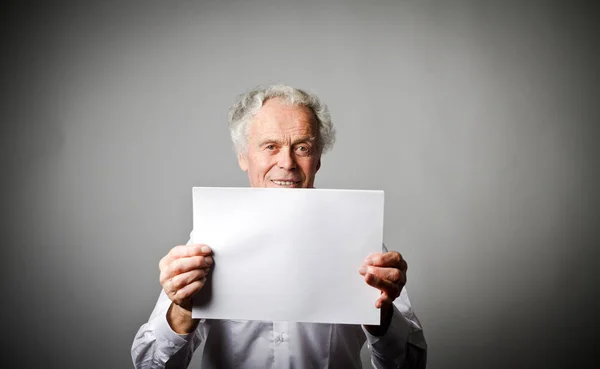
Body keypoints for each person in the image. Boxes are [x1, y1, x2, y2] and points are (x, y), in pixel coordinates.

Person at [131, 84, 427, 368]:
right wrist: (183, 310)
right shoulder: (208, 239)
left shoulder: (360, 239)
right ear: (243, 157)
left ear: (318, 160)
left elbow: (411, 364)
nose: (287, 162)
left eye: (302, 147)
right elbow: (149, 364)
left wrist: (383, 313)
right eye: (270, 146)